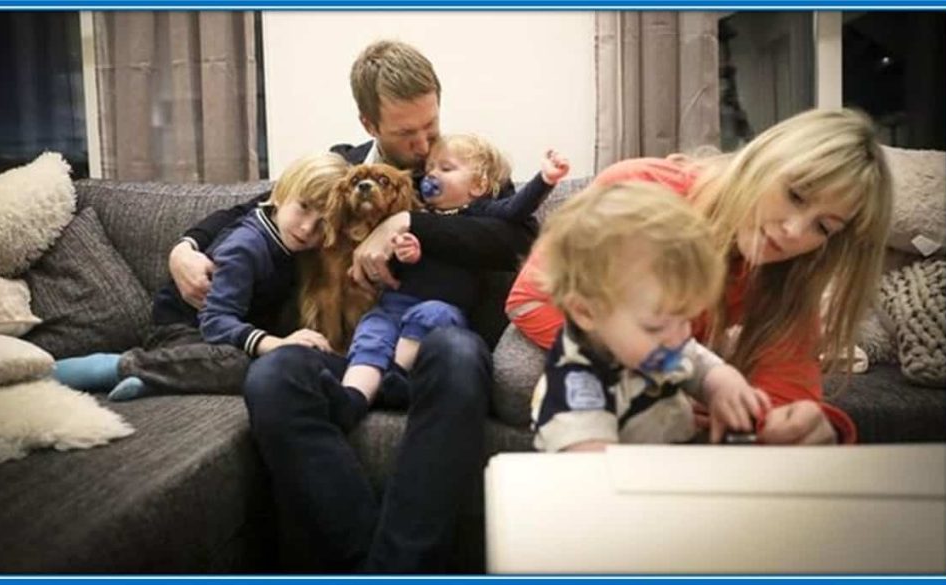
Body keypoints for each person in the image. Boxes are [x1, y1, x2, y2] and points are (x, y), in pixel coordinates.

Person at [168, 40, 537, 572]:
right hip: (349, 353)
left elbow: (520, 240)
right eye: (405, 133)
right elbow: (257, 209)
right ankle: (379, 566)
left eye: (429, 125)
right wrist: (186, 245)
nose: (422, 143)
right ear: (368, 124)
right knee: (272, 378)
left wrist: (404, 221)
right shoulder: (339, 169)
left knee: (458, 353)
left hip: (434, 346)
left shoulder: (461, 168)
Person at [506, 108, 894, 445]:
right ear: (760, 162)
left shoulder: (790, 276)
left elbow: (784, 400)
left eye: (823, 227)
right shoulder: (645, 191)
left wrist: (796, 426)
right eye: (795, 195)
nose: (795, 231)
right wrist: (656, 366)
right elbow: (529, 298)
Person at [51, 153, 347, 400]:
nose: (308, 228)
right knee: (243, 366)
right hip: (184, 330)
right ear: (281, 195)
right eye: (304, 208)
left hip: (220, 336)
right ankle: (115, 366)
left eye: (323, 223)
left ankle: (156, 381)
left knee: (280, 364)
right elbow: (216, 321)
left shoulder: (290, 244)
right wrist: (271, 344)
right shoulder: (246, 247)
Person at [530, 181, 771, 450]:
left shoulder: (657, 345)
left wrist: (723, 384)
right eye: (656, 326)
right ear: (586, 311)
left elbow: (695, 363)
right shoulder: (576, 391)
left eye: (687, 319)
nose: (682, 337)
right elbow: (597, 476)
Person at [341, 134, 570, 404]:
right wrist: (406, 249)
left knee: (429, 315)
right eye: (429, 169)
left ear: (477, 185)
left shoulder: (480, 212)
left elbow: (515, 210)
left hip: (440, 309)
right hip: (393, 305)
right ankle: (352, 398)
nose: (431, 176)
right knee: (372, 329)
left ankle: (397, 377)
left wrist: (545, 179)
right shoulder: (420, 213)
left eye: (445, 169)